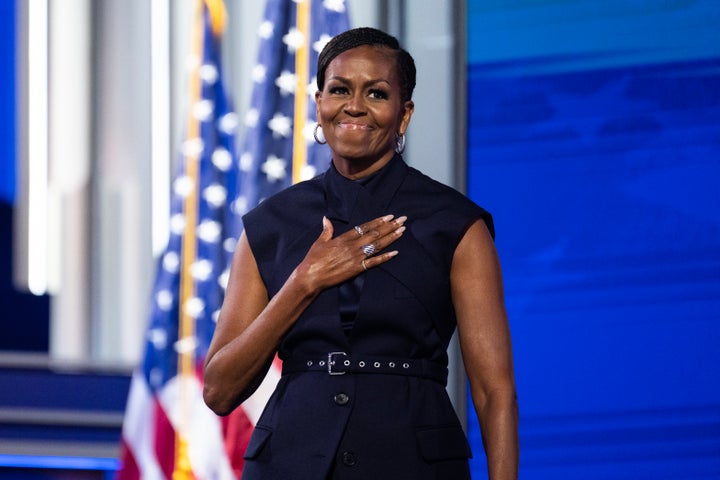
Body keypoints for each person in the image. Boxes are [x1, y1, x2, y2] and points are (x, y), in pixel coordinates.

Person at [203, 27, 518, 480]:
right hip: (289, 463)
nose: (354, 106)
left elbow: (494, 392)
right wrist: (304, 282)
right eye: (339, 90)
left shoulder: (456, 224)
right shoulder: (270, 225)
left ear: (403, 115)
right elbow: (219, 390)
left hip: (412, 463)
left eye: (376, 93)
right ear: (319, 104)